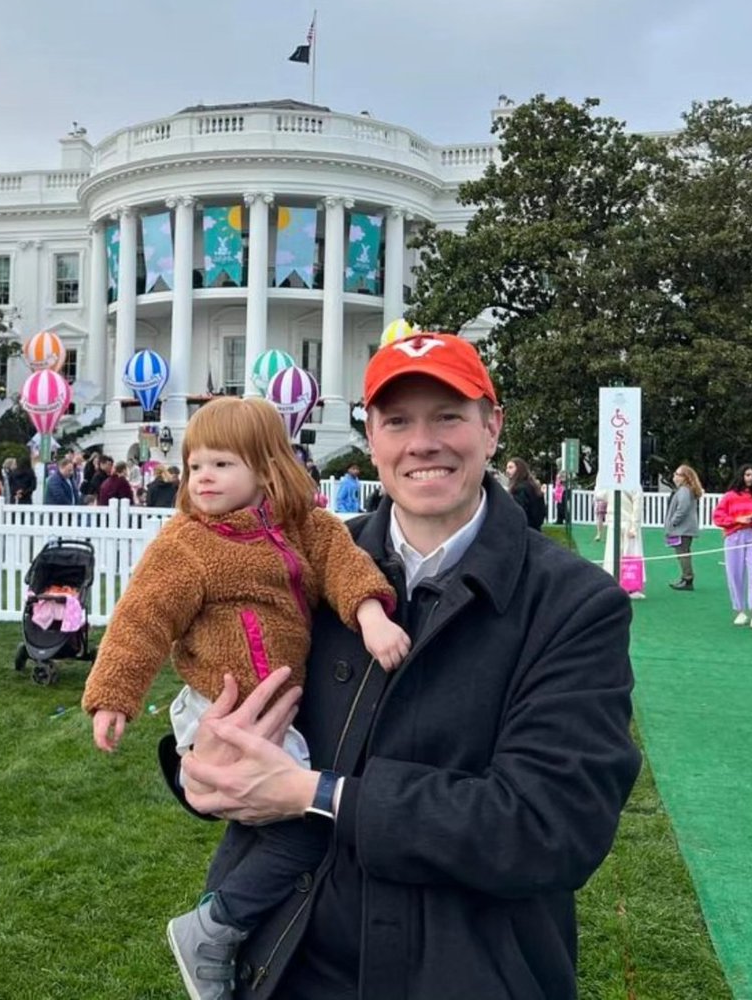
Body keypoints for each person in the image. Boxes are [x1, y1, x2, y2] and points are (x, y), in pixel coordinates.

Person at [165, 332, 640, 1000]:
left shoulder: (572, 604)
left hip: (466, 971)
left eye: (447, 416)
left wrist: (317, 793)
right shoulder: (301, 565)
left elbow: (549, 826)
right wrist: (200, 762)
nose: (423, 442)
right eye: (397, 421)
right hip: (288, 963)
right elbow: (230, 693)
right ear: (372, 437)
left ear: (491, 426)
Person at [82, 396, 408, 998]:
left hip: (279, 705)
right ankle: (216, 925)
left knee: (269, 825)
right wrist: (114, 697)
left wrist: (371, 616)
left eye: (223, 464)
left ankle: (228, 926)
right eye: (196, 464)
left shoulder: (303, 527)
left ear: (266, 469)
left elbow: (344, 563)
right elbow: (142, 620)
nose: (204, 477)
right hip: (221, 709)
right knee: (309, 824)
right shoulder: (187, 545)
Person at [712, 464, 752, 629]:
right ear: (741, 476)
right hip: (734, 536)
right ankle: (740, 610)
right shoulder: (730, 496)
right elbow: (718, 517)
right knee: (734, 573)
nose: (750, 478)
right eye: (747, 475)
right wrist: (738, 519)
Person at [601, 485, 646, 599]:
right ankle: (615, 584)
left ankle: (630, 587)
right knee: (618, 554)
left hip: (626, 522)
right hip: (615, 521)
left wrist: (634, 526)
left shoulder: (632, 483)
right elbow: (600, 495)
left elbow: (637, 505)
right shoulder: (611, 482)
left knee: (629, 554)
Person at [663, 464, 703, 591]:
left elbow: (682, 508)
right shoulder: (684, 490)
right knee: (682, 554)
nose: (674, 476)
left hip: (682, 529)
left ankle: (687, 579)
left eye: (677, 474)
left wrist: (673, 522)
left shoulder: (684, 491)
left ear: (685, 477)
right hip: (683, 528)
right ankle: (685, 577)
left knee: (683, 554)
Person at [504, 457, 546, 530]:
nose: (507, 470)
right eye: (507, 468)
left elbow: (519, 512)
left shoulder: (519, 488)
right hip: (535, 529)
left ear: (519, 469)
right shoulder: (534, 486)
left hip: (524, 530)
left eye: (510, 467)